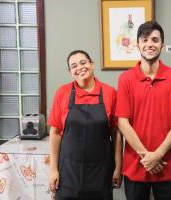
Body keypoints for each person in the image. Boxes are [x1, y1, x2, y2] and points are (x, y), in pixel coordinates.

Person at [116, 21, 171, 200]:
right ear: (137, 45)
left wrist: (157, 155)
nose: (150, 44)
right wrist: (147, 157)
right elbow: (122, 122)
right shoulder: (125, 79)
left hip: (167, 163)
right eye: (145, 39)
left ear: (162, 46)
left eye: (155, 40)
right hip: (136, 164)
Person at [48, 50, 122, 200]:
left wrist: (118, 168)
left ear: (92, 64)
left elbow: (116, 134)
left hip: (101, 171)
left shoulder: (110, 93)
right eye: (74, 66)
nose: (80, 67)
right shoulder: (63, 93)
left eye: (83, 63)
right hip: (68, 171)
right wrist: (53, 169)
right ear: (70, 72)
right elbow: (55, 133)